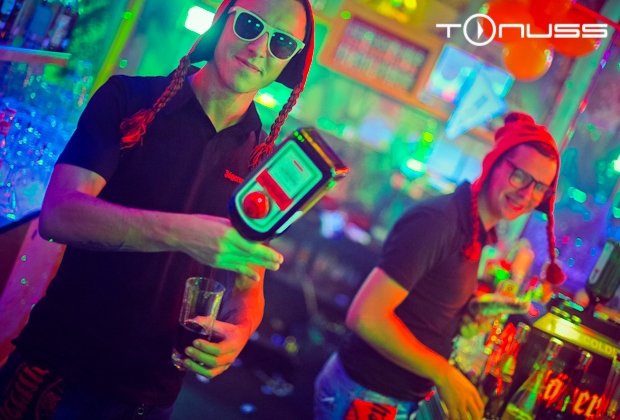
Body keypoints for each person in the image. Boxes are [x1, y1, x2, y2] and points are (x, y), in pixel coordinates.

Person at [0, 0, 314, 418]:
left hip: (152, 400)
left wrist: (241, 329)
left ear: (291, 62)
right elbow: (59, 215)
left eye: (281, 42)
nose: (259, 47)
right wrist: (183, 233)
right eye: (251, 25)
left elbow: (248, 280)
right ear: (222, 22)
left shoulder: (265, 163)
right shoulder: (129, 100)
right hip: (59, 371)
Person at [314, 112, 565, 420]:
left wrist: (464, 315)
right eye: (520, 176)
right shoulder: (440, 221)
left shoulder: (473, 229)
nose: (526, 194)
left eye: (539, 187)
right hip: (367, 394)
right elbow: (365, 315)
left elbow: (421, 308)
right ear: (494, 163)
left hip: (390, 399)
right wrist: (444, 374)